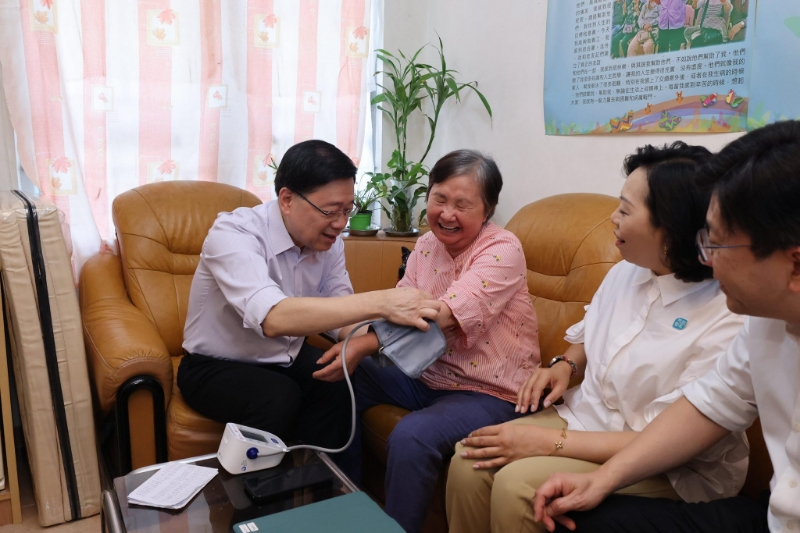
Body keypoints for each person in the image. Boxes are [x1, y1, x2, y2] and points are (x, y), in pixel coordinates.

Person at [446, 142, 748, 533]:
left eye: (625, 210)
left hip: (672, 465)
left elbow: (666, 438)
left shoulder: (728, 313)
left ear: (670, 230)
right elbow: (592, 330)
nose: (612, 218)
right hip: (587, 419)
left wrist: (542, 443)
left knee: (517, 487)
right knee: (469, 458)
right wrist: (565, 365)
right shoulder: (627, 270)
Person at [533, 121, 800, 533]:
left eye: (716, 244)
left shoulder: (731, 312)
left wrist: (556, 445)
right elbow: (711, 403)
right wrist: (601, 481)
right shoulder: (763, 323)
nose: (706, 262)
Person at [318, 150, 540, 532]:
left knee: (412, 435)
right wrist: (356, 340)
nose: (447, 214)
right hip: (426, 375)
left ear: (487, 210)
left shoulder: (503, 249)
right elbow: (396, 310)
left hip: (490, 391)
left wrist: (362, 344)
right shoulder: (425, 246)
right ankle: (345, 503)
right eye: (439, 199)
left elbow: (442, 316)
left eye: (462, 205)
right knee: (337, 377)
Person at [177, 139, 441, 458]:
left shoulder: (328, 242)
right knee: (277, 396)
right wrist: (383, 301)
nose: (340, 224)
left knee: (337, 379)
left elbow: (342, 319)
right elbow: (273, 318)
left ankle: (327, 483)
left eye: (347, 211)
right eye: (330, 211)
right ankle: (260, 490)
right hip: (214, 366)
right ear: (287, 199)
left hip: (284, 358)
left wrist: (381, 335)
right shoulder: (234, 233)